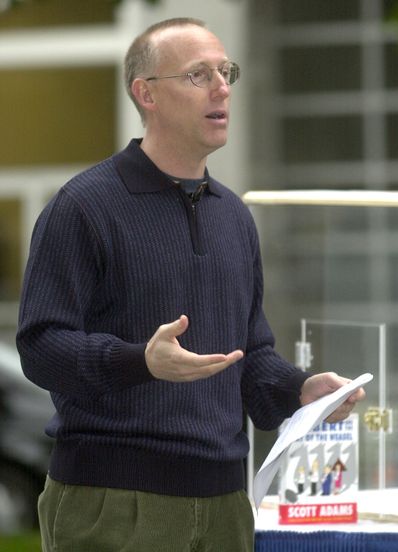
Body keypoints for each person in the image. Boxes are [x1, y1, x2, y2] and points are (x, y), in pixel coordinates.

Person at [16, 17, 365, 552]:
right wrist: (141, 361)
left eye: (226, 72)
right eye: (199, 75)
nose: (222, 87)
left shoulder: (234, 216)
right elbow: (40, 347)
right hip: (114, 502)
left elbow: (249, 352)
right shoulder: (82, 208)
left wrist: (298, 391)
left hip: (226, 502)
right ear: (145, 93)